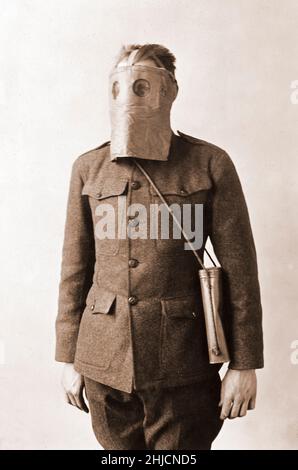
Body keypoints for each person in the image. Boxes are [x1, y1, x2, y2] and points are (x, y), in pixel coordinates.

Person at [55, 43, 264, 450]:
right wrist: (68, 358)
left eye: (143, 85)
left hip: (183, 366)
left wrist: (245, 364)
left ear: (168, 91)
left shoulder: (208, 162)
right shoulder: (88, 168)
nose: (131, 96)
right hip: (103, 365)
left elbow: (241, 272)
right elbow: (74, 269)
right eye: (121, 86)